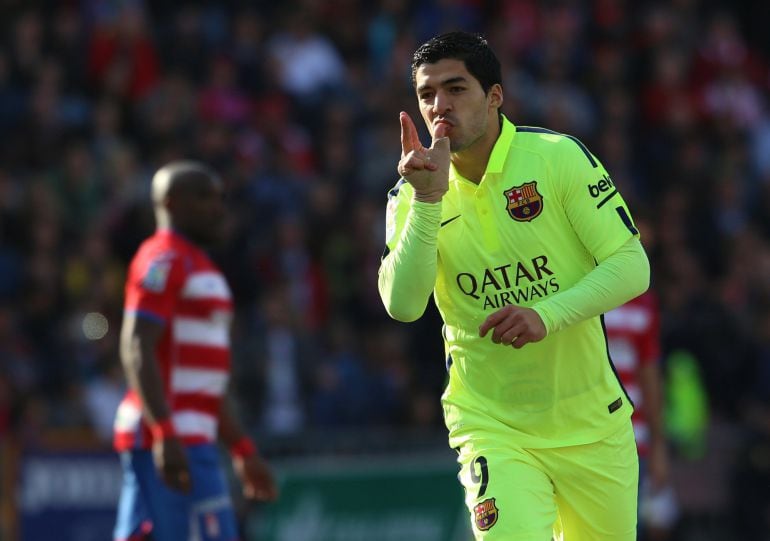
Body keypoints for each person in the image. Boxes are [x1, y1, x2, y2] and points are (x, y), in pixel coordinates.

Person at [378, 32, 650, 540]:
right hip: (492, 425)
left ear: (495, 96)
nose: (439, 106)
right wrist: (429, 202)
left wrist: (546, 314)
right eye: (426, 94)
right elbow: (403, 305)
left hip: (592, 423)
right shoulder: (412, 192)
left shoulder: (556, 158)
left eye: (456, 89)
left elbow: (632, 266)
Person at [112, 161, 278, 541]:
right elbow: (137, 344)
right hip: (168, 440)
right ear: (171, 203)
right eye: (204, 197)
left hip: (194, 439)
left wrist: (241, 447)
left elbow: (205, 379)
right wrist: (164, 432)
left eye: (220, 197)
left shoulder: (199, 265)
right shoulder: (162, 259)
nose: (218, 207)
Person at [605, 290, 678, 539]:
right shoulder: (567, 281)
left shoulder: (642, 298)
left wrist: (658, 446)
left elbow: (650, 372)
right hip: (574, 434)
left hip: (632, 440)